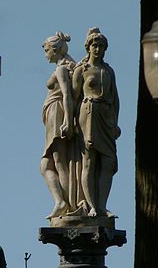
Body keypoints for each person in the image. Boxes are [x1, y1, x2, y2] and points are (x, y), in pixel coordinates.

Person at [73, 28, 121, 217]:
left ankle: (102, 205)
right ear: (88, 47)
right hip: (88, 114)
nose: (98, 49)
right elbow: (73, 98)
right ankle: (92, 206)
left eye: (101, 46)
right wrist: (71, 122)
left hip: (106, 116)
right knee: (89, 161)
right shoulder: (82, 70)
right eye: (95, 45)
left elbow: (115, 98)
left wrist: (115, 122)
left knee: (108, 162)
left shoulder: (108, 71)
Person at [40, 32, 77, 219]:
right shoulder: (66, 66)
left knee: (58, 162)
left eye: (46, 50)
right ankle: (63, 201)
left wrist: (67, 121)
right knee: (47, 164)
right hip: (54, 114)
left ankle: (66, 204)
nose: (45, 53)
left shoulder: (62, 69)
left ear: (54, 49)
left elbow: (67, 95)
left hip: (57, 114)